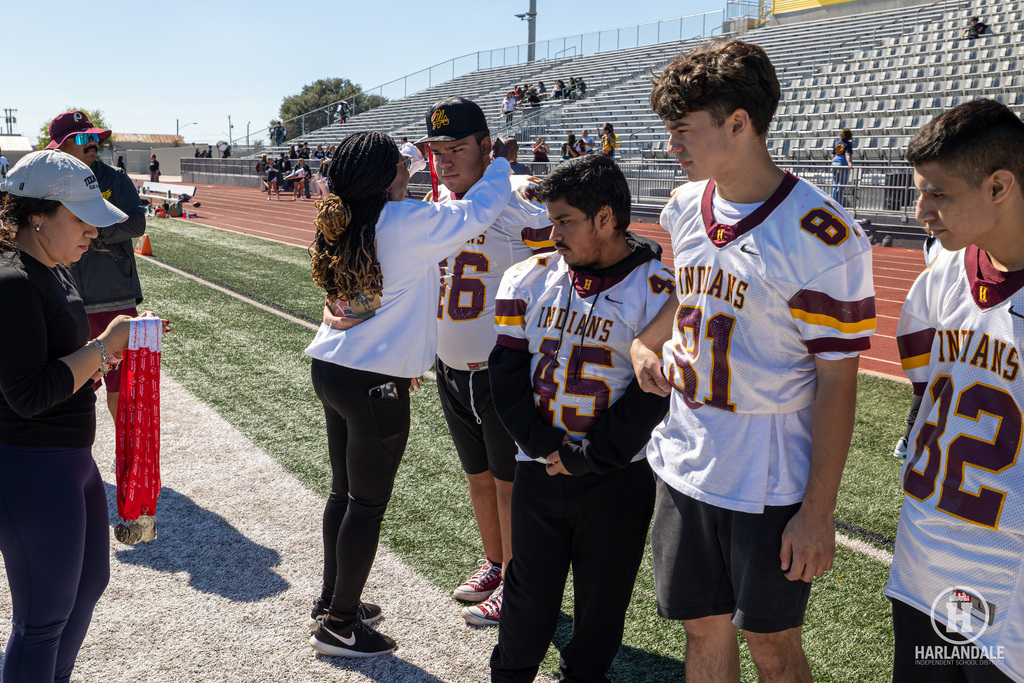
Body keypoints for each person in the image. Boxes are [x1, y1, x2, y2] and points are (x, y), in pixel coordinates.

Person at [630, 40, 876, 682]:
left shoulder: (821, 235)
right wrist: (645, 341)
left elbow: (838, 381)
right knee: (700, 629)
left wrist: (818, 510)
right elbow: (691, 293)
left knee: (772, 644)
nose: (671, 146)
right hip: (687, 455)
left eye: (683, 131)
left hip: (768, 478)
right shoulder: (686, 206)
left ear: (738, 123)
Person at [304, 131, 513, 657]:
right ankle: (340, 625)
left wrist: (413, 153)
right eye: (405, 162)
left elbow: (385, 175)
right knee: (367, 505)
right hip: (374, 379)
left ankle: (330, 600)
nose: (415, 167)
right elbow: (480, 211)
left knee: (342, 492)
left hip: (333, 365)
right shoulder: (410, 221)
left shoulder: (346, 210)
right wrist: (500, 164)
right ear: (386, 174)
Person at [488, 153, 675, 683]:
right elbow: (505, 373)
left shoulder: (662, 291)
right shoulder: (530, 276)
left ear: (607, 218)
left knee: (602, 601)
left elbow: (654, 393)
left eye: (565, 220)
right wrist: (548, 447)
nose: (554, 233)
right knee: (526, 593)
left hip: (616, 474)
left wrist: (592, 456)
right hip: (539, 465)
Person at [887, 99, 1024, 681]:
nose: (921, 212)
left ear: (999, 186)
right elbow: (925, 389)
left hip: (1009, 588)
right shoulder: (943, 272)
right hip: (925, 562)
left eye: (938, 194)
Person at [0, 149, 137, 683]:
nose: (92, 234)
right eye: (81, 219)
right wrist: (105, 347)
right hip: (31, 464)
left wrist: (103, 357)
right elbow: (28, 393)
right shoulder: (12, 280)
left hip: (68, 461)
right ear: (39, 214)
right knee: (42, 622)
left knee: (86, 588)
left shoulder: (51, 270)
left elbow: (60, 366)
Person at [417, 96, 553, 627]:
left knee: (509, 482)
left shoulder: (520, 200)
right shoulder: (440, 201)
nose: (447, 161)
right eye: (439, 151)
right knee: (477, 475)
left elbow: (559, 260)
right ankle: (495, 563)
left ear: (485, 146)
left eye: (457, 149)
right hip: (451, 364)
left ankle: (519, 583)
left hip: (501, 370)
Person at [46, 111, 147, 421]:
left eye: (93, 137)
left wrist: (94, 228)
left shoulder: (114, 178)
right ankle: (77, 457)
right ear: (61, 146)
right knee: (75, 390)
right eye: (81, 138)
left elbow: (137, 223)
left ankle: (125, 457)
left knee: (122, 391)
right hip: (68, 299)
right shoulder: (49, 181)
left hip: (116, 296)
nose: (92, 143)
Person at [831, 128, 855, 205]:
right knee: (841, 185)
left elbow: (833, 155)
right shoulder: (848, 144)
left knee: (835, 185)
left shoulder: (836, 143)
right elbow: (847, 154)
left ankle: (832, 202)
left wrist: (833, 162)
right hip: (842, 164)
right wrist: (849, 163)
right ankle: (838, 204)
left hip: (835, 163)